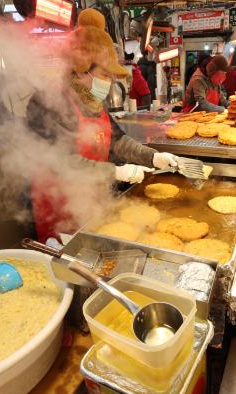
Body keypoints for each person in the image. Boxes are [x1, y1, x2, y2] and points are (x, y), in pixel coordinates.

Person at [26, 9, 178, 242]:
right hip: (60, 207)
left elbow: (116, 140)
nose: (109, 82)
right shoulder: (48, 101)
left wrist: (152, 157)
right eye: (105, 74)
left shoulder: (92, 99)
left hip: (91, 200)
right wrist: (116, 172)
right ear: (81, 68)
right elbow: (61, 162)